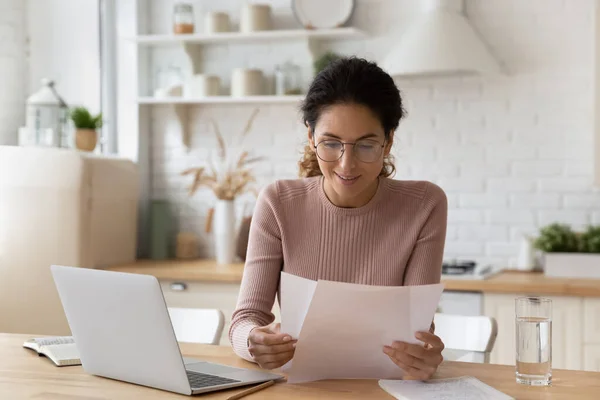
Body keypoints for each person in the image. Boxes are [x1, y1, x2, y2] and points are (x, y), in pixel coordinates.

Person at [229, 56, 448, 381]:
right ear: (311, 137)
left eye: (366, 145)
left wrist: (423, 356)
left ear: (388, 141)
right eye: (331, 143)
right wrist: (252, 341)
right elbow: (245, 319)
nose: (347, 165)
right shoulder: (278, 202)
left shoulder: (424, 205)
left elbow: (417, 328)